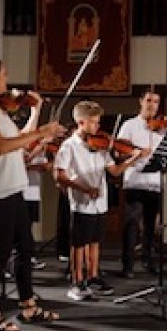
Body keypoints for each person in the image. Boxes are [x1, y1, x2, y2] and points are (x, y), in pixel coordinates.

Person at [0, 56, 65, 331]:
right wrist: (41, 132)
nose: (8, 80)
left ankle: (28, 306)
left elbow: (18, 141)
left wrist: (36, 114)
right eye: (4, 75)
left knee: (25, 247)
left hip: (12, 184)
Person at [54, 100, 146, 301]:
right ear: (81, 122)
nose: (98, 127)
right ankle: (77, 281)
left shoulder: (101, 146)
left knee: (95, 241)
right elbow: (59, 176)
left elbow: (114, 171)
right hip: (81, 202)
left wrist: (133, 159)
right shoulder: (69, 146)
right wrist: (85, 188)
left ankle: (93, 276)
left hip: (100, 202)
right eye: (94, 122)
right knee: (79, 243)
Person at [116, 90, 167, 277]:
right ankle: (127, 265)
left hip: (154, 183)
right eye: (149, 100)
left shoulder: (162, 129)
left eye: (156, 102)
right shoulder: (129, 125)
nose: (152, 105)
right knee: (131, 224)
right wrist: (136, 152)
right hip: (134, 182)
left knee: (151, 225)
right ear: (141, 101)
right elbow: (120, 151)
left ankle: (147, 259)